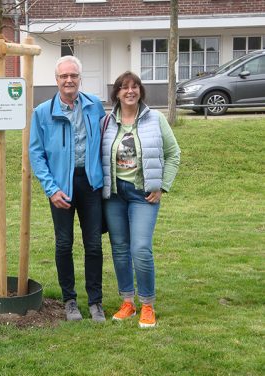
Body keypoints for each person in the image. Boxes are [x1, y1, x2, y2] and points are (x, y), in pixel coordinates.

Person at [29, 55, 106, 322]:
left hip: (91, 183)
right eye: (64, 76)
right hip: (61, 187)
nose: (69, 80)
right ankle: (69, 300)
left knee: (94, 244)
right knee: (64, 244)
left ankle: (96, 301)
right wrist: (51, 189)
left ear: (80, 79)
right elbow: (36, 155)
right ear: (56, 80)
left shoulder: (95, 105)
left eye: (73, 76)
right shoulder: (42, 112)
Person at [101, 72, 180, 328]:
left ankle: (147, 304)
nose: (130, 91)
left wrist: (162, 186)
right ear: (117, 93)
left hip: (143, 195)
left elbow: (173, 153)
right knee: (120, 250)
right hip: (114, 195)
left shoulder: (155, 118)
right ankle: (128, 303)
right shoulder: (107, 121)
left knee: (141, 249)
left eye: (135, 87)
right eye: (125, 87)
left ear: (140, 91)